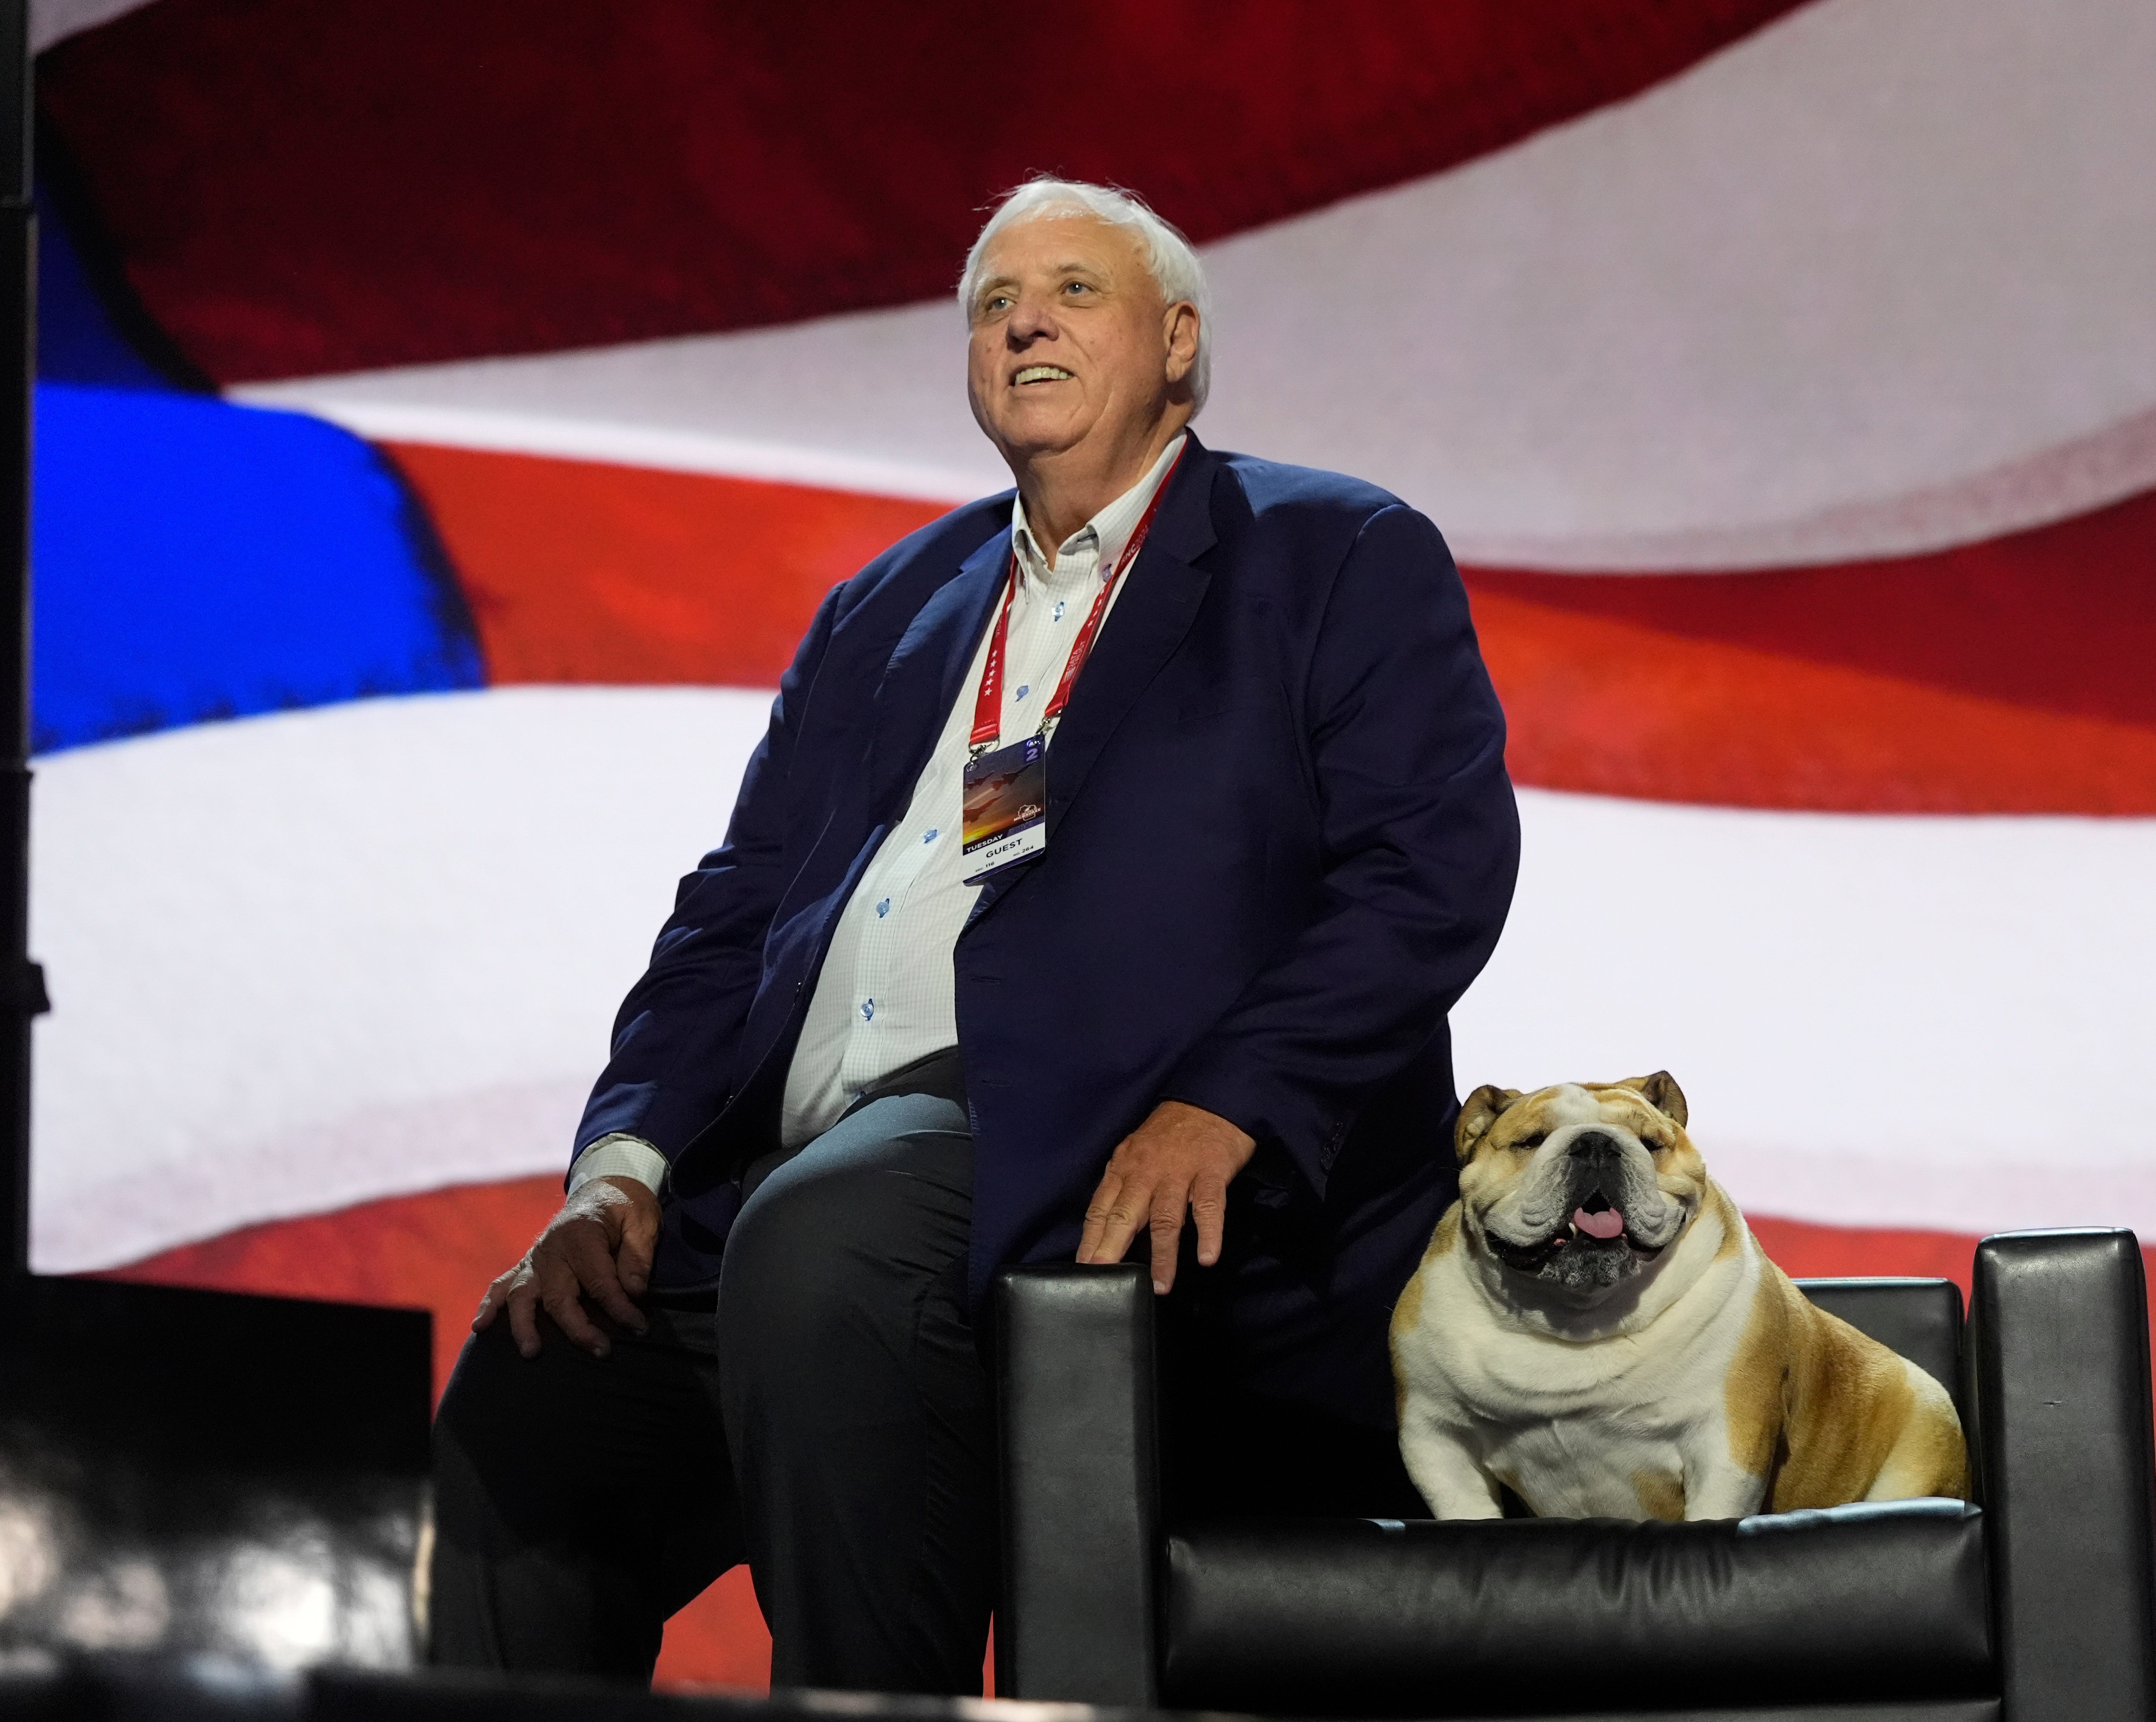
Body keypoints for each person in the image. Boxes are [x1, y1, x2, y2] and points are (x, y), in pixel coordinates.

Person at [427, 178, 1520, 1695]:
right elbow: (733, 913)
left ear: (1180, 342)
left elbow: (1431, 869)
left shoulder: (1331, 554)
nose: (1024, 321)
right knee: (531, 1392)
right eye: (995, 303)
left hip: (1079, 1139)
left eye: (1074, 290)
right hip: (796, 1167)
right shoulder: (886, 606)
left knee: (828, 1247)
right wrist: (621, 1165)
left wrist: (1236, 1096)